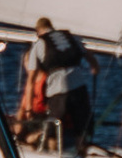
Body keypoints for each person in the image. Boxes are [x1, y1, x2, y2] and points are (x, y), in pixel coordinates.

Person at [26, 15, 92, 150]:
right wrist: (95, 71)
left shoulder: (39, 43)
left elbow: (31, 79)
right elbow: (93, 62)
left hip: (58, 89)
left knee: (53, 131)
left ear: (38, 31)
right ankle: (82, 157)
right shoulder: (71, 37)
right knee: (81, 129)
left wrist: (28, 108)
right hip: (79, 86)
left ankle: (52, 156)